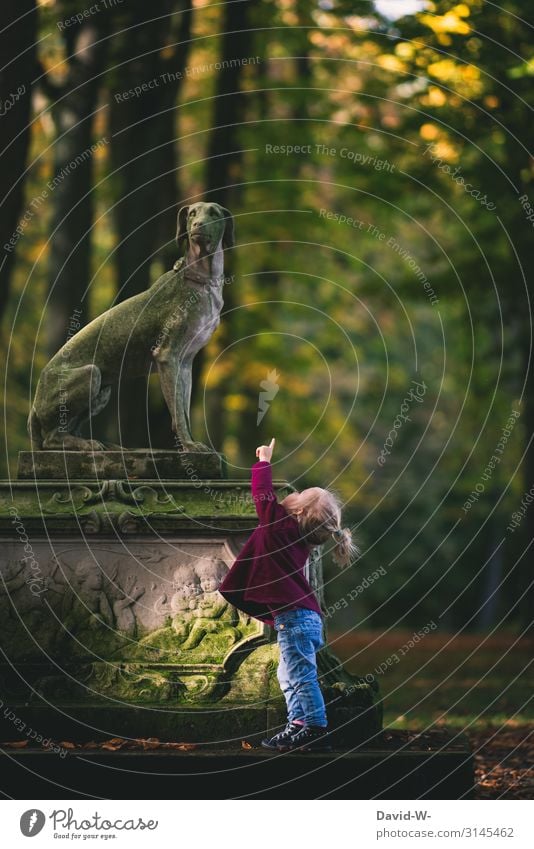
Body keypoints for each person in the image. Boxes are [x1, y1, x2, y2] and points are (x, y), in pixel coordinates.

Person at [218, 438, 359, 752]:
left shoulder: (279, 527)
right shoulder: (298, 540)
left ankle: (316, 727)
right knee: (290, 674)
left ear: (300, 510)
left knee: (301, 675)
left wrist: (264, 461)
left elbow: (263, 495)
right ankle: (297, 723)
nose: (293, 493)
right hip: (300, 618)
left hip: (295, 619)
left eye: (301, 493)